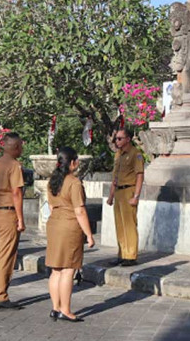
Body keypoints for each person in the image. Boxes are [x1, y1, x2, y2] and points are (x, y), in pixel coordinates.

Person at [45, 146, 95, 322]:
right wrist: (89, 234)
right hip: (69, 226)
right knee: (68, 270)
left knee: (56, 270)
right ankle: (65, 309)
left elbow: (50, 206)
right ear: (73, 163)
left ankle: (55, 307)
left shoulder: (53, 181)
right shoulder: (74, 183)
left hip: (54, 224)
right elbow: (79, 211)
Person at [0, 131, 26, 310]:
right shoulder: (14, 165)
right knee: (6, 255)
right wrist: (20, 218)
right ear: (16, 147)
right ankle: (0, 296)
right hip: (6, 213)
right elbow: (16, 192)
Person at [107, 126, 144, 266]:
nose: (117, 141)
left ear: (128, 139)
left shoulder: (136, 154)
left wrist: (136, 196)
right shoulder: (118, 155)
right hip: (118, 192)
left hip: (129, 190)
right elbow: (115, 177)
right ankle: (122, 253)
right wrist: (111, 196)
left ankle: (131, 255)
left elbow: (140, 175)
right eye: (116, 138)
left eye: (120, 138)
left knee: (129, 224)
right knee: (120, 224)